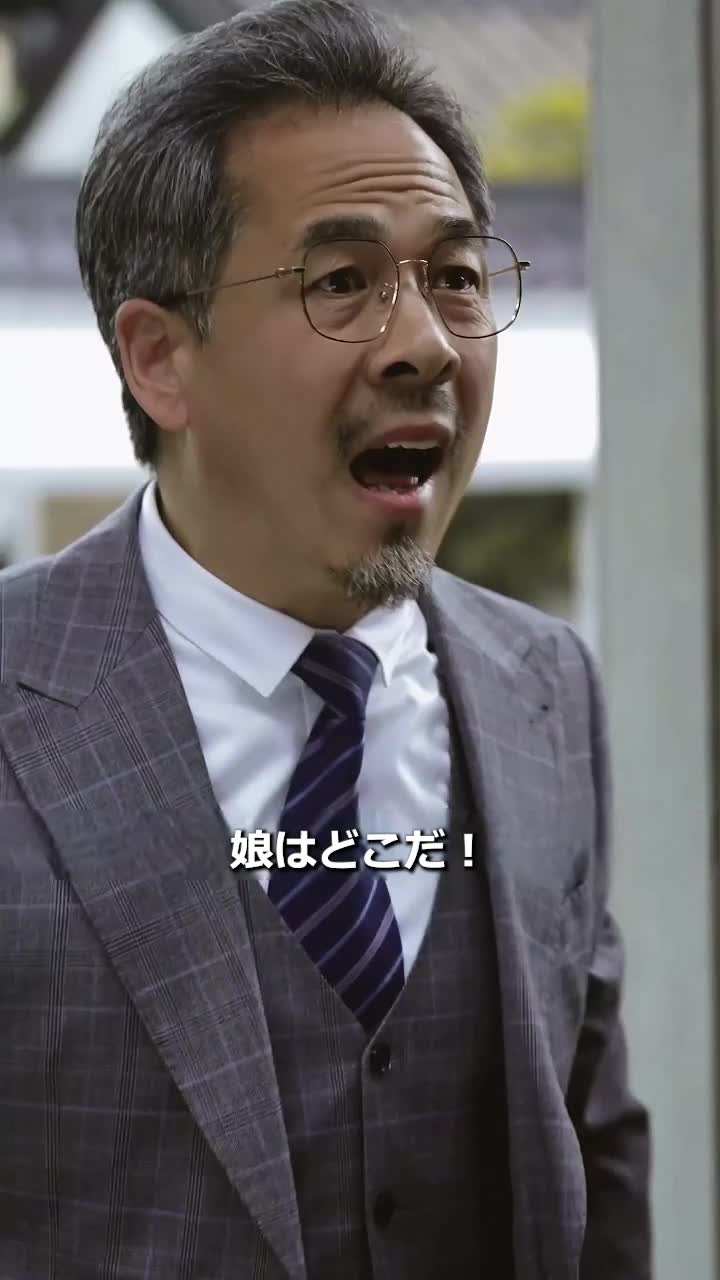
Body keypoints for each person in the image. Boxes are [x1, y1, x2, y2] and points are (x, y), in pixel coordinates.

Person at [0, 1, 651, 1276]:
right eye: (342, 281)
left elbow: (596, 1167)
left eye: (456, 277)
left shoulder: (547, 689)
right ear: (159, 358)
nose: (425, 345)